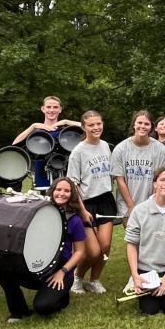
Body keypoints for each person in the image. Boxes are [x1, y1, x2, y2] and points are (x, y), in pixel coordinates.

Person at [0, 177, 84, 323]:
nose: (62, 193)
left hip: (59, 271)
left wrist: (62, 272)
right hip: (36, 267)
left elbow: (80, 252)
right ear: (52, 191)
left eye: (67, 191)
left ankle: (62, 297)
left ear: (72, 195)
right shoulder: (38, 212)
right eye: (58, 189)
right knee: (3, 272)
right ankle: (19, 311)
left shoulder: (75, 220)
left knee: (43, 307)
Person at [124, 167, 165, 315]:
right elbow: (131, 244)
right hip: (146, 269)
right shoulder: (139, 210)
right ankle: (134, 281)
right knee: (150, 310)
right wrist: (135, 275)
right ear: (155, 184)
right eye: (162, 180)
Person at [65, 110, 114, 294]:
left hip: (105, 200)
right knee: (93, 251)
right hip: (86, 203)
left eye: (98, 124)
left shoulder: (105, 146)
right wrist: (82, 209)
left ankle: (94, 280)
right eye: (91, 125)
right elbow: (73, 184)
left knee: (105, 246)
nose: (96, 127)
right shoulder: (78, 151)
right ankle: (77, 278)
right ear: (84, 127)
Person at [111, 110, 165, 222]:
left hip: (152, 203)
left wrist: (151, 204)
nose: (142, 126)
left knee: (150, 233)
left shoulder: (160, 149)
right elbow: (119, 180)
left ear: (151, 127)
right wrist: (131, 206)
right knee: (132, 233)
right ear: (134, 124)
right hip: (126, 204)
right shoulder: (120, 149)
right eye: (139, 123)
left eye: (146, 124)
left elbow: (162, 179)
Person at [12, 95, 82, 189]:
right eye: (48, 107)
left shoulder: (67, 131)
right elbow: (14, 145)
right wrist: (33, 126)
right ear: (43, 109)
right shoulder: (37, 131)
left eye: (55, 107)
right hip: (42, 176)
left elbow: (90, 128)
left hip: (67, 174)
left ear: (60, 109)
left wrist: (66, 122)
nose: (51, 110)